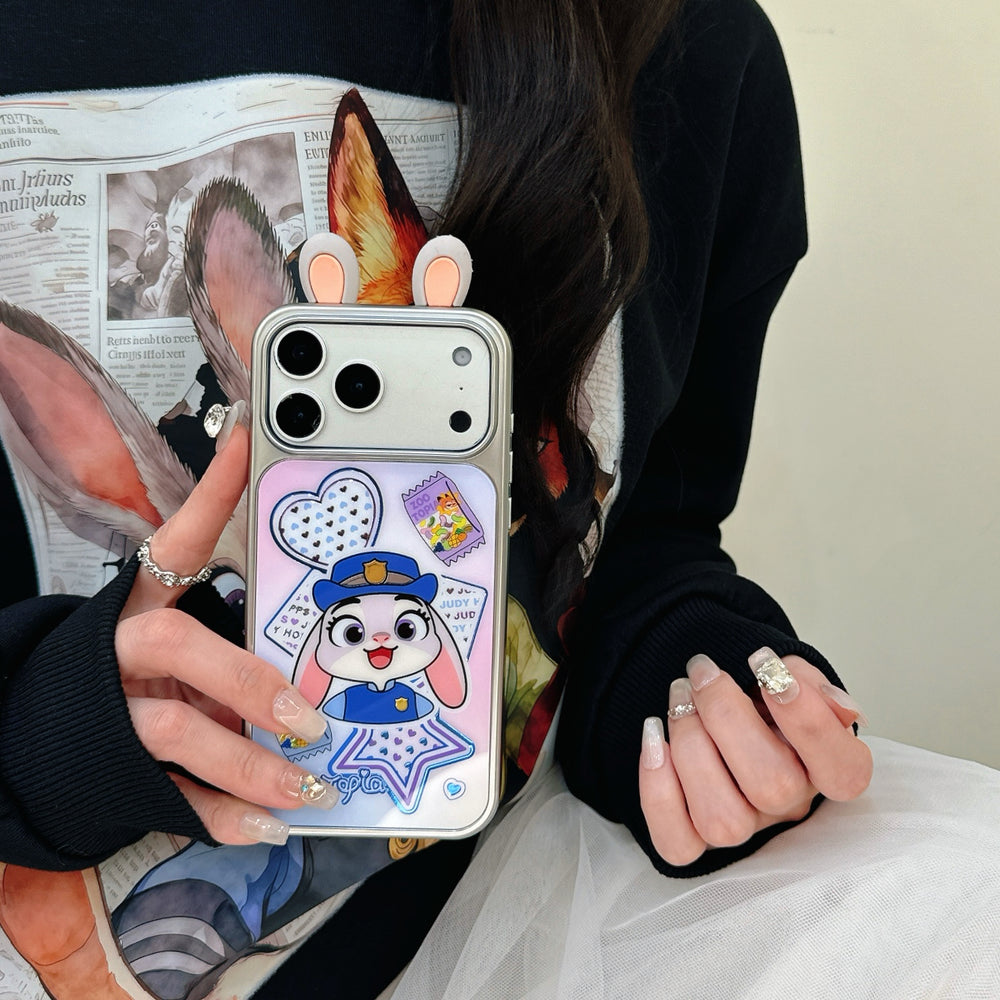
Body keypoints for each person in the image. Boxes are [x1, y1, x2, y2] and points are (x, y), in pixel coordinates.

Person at [0, 1, 873, 997]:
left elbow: (642, 541)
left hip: (505, 924)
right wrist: (43, 727)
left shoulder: (691, 48)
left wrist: (695, 691)